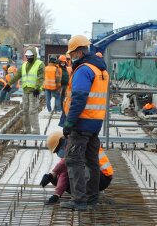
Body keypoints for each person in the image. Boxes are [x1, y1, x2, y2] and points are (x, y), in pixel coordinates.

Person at [59, 35, 109, 211]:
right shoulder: (100, 70)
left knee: (73, 160)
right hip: (95, 123)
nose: (71, 58)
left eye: (72, 54)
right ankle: (92, 199)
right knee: (92, 161)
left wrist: (69, 122)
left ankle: (79, 200)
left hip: (81, 123)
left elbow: (79, 97)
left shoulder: (83, 70)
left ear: (79, 52)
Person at [41, 131, 113, 207]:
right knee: (58, 176)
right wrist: (56, 195)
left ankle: (81, 199)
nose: (59, 152)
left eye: (58, 149)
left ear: (64, 141)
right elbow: (65, 172)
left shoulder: (78, 143)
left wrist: (52, 174)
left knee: (68, 167)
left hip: (102, 177)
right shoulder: (73, 147)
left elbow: (65, 163)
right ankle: (82, 195)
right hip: (95, 177)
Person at [3, 47, 44, 134]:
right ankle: (27, 130)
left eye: (30, 56)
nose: (29, 58)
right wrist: (8, 84)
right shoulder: (24, 65)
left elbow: (41, 77)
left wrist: (37, 88)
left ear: (34, 55)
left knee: (32, 111)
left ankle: (36, 131)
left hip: (34, 92)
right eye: (27, 56)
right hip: (26, 91)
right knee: (25, 110)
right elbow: (17, 76)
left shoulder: (40, 64)